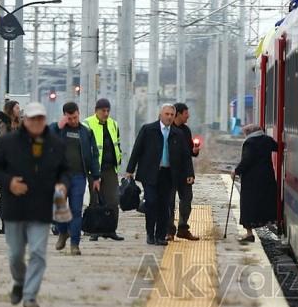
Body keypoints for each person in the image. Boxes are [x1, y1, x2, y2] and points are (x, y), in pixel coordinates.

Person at [0, 102, 69, 307]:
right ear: (26, 120)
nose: (36, 123)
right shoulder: (8, 142)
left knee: (38, 253)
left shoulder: (56, 144)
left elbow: (64, 171)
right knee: (15, 254)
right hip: (14, 207)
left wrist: (62, 184)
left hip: (41, 208)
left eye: (40, 119)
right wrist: (9, 183)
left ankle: (30, 296)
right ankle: (20, 282)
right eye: (32, 119)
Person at [126, 103, 193, 246]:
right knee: (151, 202)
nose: (169, 117)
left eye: (171, 115)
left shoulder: (178, 134)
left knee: (165, 206)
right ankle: (150, 234)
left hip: (168, 174)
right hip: (150, 173)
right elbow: (137, 150)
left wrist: (189, 173)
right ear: (160, 115)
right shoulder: (148, 130)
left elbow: (186, 155)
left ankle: (160, 235)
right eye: (167, 114)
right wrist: (130, 170)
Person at [49, 102, 101, 256]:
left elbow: (94, 155)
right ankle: (63, 232)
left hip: (79, 176)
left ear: (79, 114)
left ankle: (74, 244)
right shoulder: (57, 129)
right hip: (60, 176)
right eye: (70, 118)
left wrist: (96, 176)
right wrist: (58, 126)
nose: (73, 120)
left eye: (75, 117)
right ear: (65, 116)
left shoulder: (85, 132)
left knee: (76, 210)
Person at [84, 98, 124, 241]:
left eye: (108, 111)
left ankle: (110, 229)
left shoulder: (113, 124)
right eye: (103, 111)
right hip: (94, 169)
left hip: (110, 168)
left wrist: (118, 160)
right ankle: (94, 231)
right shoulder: (87, 124)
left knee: (113, 200)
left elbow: (117, 143)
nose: (106, 113)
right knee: (95, 200)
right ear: (96, 110)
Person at [232, 124, 278, 243]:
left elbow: (247, 160)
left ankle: (249, 234)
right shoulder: (267, 140)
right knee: (264, 201)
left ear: (248, 133)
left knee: (247, 205)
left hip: (251, 180)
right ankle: (267, 221)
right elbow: (277, 147)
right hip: (267, 178)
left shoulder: (250, 142)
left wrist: (236, 171)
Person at [166, 102, 200, 241]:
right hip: (168, 173)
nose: (188, 116)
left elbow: (188, 154)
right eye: (186, 113)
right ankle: (169, 231)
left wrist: (195, 151)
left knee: (186, 200)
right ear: (178, 114)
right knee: (169, 202)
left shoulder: (186, 131)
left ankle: (183, 228)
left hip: (184, 172)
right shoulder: (166, 130)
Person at [0, 100, 20, 234]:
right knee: (6, 196)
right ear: (10, 110)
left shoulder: (19, 124)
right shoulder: (3, 126)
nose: (19, 110)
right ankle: (4, 224)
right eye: (16, 108)